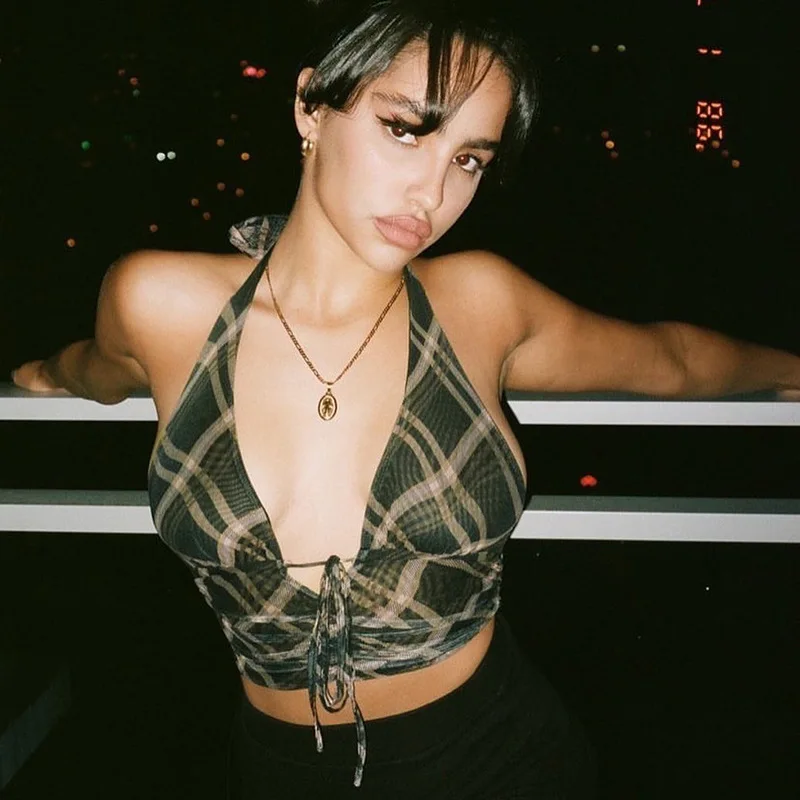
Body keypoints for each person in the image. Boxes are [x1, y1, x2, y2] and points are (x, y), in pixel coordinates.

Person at [11, 1, 800, 797]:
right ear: (310, 105)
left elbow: (671, 360)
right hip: (280, 771)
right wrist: (37, 377)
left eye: (470, 160)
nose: (433, 191)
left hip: (501, 758)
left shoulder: (479, 303)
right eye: (406, 130)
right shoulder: (160, 302)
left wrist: (785, 367)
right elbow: (90, 371)